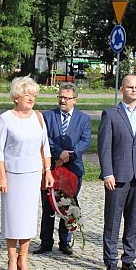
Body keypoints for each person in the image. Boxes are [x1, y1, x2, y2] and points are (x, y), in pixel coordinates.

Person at [0, 76, 54, 270]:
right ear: (17, 96)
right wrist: (1, 177)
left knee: (28, 220)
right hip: (12, 174)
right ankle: (11, 258)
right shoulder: (6, 119)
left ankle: (23, 258)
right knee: (12, 219)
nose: (31, 98)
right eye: (28, 94)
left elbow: (44, 146)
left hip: (32, 174)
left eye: (34, 95)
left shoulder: (38, 117)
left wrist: (48, 171)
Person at [98, 74, 136, 270]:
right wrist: (107, 172)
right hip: (118, 176)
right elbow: (104, 148)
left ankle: (129, 259)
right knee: (113, 221)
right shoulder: (110, 114)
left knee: (133, 221)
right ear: (122, 89)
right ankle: (111, 261)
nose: (134, 90)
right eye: (130, 87)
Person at [34, 82, 91, 256]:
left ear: (75, 99)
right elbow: (44, 139)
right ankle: (46, 242)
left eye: (67, 98)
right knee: (48, 205)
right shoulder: (48, 116)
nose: (63, 101)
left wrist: (70, 155)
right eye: (60, 97)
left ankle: (65, 242)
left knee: (68, 205)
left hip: (73, 169)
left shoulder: (83, 119)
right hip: (51, 167)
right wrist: (60, 153)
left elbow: (85, 141)